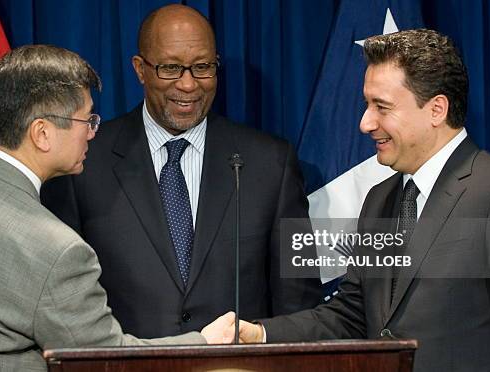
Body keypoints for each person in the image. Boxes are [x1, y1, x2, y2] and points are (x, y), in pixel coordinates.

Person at [0, 45, 234, 372]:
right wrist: (206, 342)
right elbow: (102, 359)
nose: (92, 132)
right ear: (42, 133)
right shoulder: (58, 250)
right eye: (86, 119)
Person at [234, 29, 490, 372]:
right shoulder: (380, 200)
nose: (365, 123)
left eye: (382, 107)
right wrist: (257, 334)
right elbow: (352, 316)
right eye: (366, 104)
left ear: (436, 109)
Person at [41, 4, 323, 339]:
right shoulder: (83, 163)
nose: (188, 85)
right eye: (171, 68)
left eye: (202, 67)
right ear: (140, 69)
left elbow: (299, 306)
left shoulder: (273, 162)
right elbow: (61, 301)